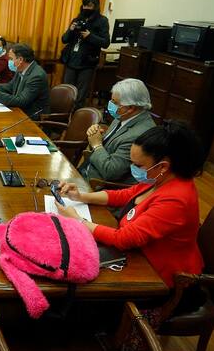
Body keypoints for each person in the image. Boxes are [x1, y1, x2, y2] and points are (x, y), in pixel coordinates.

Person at [56, 121, 205, 287]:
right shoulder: (160, 177)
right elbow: (125, 195)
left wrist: (78, 221)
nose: (133, 168)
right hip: (137, 255)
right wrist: (81, 196)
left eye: (138, 165)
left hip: (158, 275)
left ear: (163, 166)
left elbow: (124, 239)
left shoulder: (176, 199)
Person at [79, 78, 156, 184]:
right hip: (87, 171)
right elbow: (111, 146)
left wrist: (97, 144)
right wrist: (98, 135)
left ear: (131, 108)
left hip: (99, 185)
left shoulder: (140, 135)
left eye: (115, 102)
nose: (110, 104)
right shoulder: (122, 116)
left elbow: (111, 171)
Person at [0, 43, 50, 117]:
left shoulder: (36, 76)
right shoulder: (21, 69)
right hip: (19, 110)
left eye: (11, 59)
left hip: (32, 117)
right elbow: (9, 87)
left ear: (20, 60)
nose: (9, 61)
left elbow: (22, 101)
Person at [60, 0, 110, 109]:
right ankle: (63, 115)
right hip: (71, 61)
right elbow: (64, 39)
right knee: (67, 92)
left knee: (80, 95)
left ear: (96, 6)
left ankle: (76, 118)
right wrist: (71, 30)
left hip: (87, 63)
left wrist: (90, 36)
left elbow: (105, 43)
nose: (86, 8)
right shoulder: (77, 19)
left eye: (90, 6)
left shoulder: (102, 21)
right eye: (85, 5)